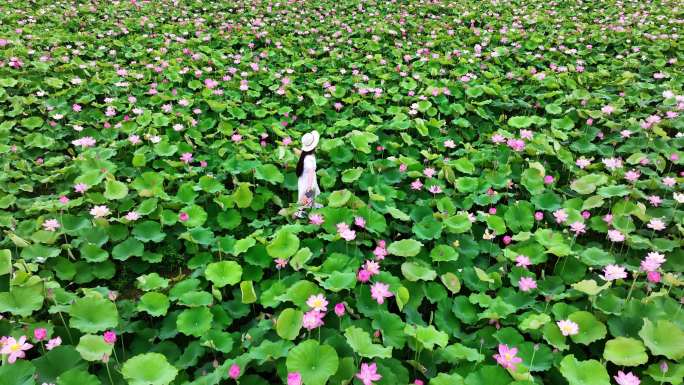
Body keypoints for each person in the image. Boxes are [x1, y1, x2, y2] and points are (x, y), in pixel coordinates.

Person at [295, 130, 321, 217]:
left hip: (302, 180)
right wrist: (309, 187)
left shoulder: (304, 155)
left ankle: (300, 214)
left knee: (303, 199)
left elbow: (299, 153)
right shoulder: (310, 158)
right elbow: (311, 172)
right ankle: (299, 215)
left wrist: (293, 148)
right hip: (309, 183)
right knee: (307, 199)